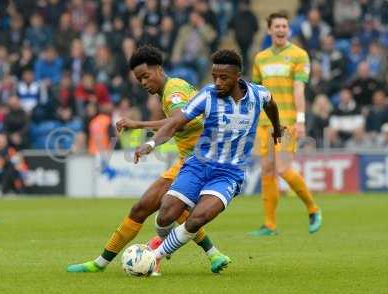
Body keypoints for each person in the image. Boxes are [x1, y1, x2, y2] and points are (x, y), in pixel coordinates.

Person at [67, 45, 229, 275]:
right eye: (138, 79)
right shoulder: (173, 89)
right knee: (149, 208)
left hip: (199, 162)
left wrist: (139, 126)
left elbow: (177, 121)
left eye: (145, 76)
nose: (143, 82)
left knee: (162, 209)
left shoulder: (173, 92)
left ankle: (115, 261)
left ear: (159, 69)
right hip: (189, 160)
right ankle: (213, 254)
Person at [134, 49, 283, 273]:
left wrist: (277, 128)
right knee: (165, 214)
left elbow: (271, 104)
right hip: (198, 165)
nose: (217, 82)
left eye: (223, 78)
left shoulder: (257, 94)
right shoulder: (207, 95)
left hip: (229, 174)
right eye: (214, 77)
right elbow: (175, 123)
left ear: (237, 76)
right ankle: (161, 246)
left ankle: (153, 257)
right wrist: (152, 144)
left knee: (197, 219)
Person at [250, 12, 322, 236]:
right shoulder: (260, 58)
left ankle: (313, 209)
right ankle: (269, 225)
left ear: (288, 30)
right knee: (267, 171)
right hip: (264, 123)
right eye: (277, 26)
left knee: (282, 168)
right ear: (269, 29)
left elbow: (299, 89)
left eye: (285, 26)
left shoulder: (299, 55)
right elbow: (256, 92)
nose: (281, 29)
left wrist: (300, 119)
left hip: (287, 121)